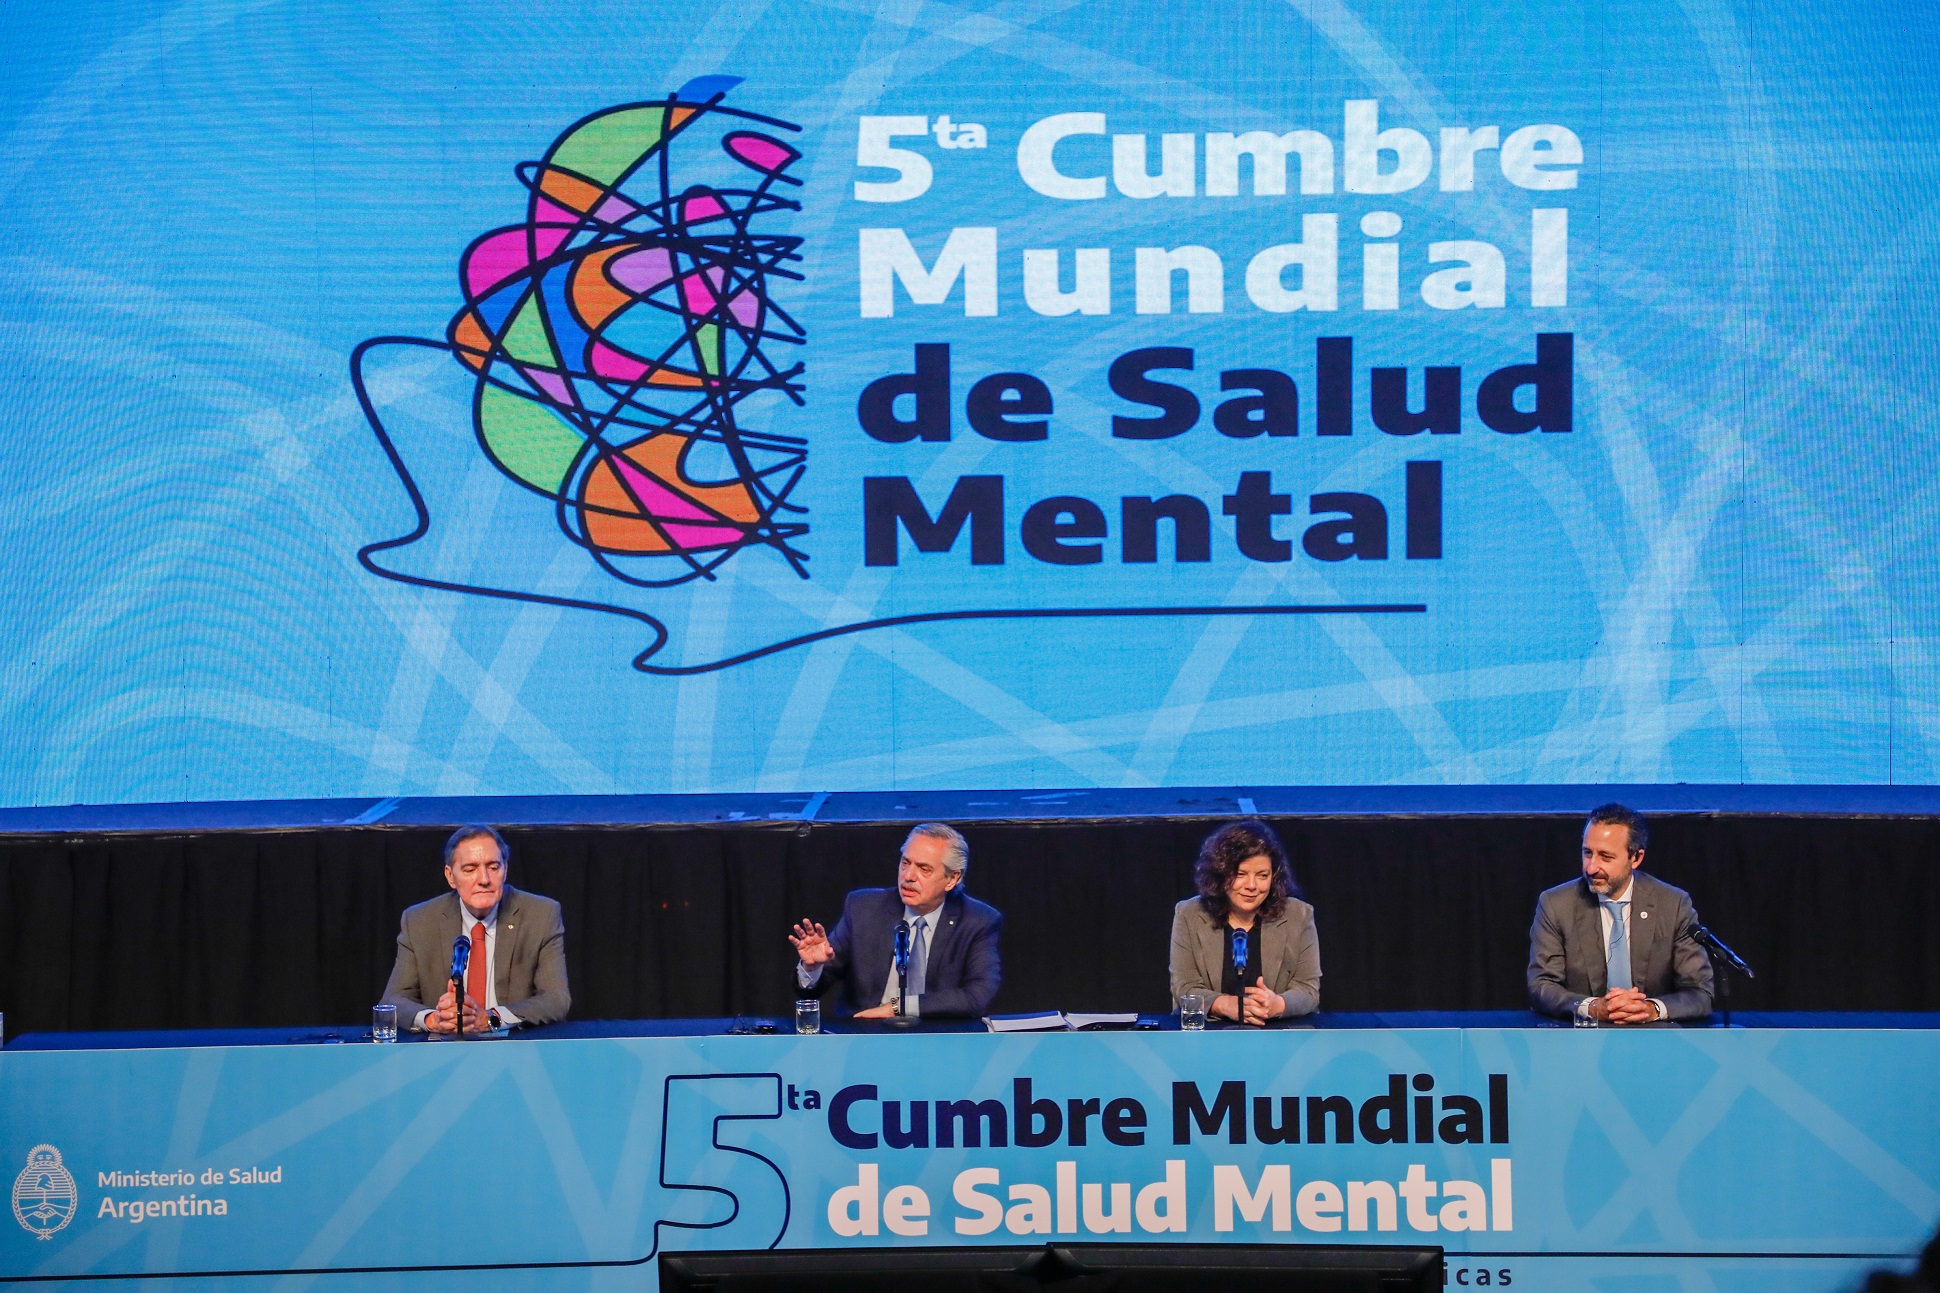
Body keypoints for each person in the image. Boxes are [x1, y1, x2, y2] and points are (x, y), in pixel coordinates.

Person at [789, 822, 1002, 1019]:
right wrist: (811, 968)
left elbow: (976, 996)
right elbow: (813, 989)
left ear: (952, 878)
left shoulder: (978, 921)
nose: (908, 876)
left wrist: (898, 1007)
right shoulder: (863, 908)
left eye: (924, 869)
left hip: (938, 1039)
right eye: (905, 863)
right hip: (867, 1036)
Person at [1527, 803, 1713, 1023]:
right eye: (1588, 853)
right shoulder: (1556, 904)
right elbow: (1541, 986)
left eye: (1605, 857)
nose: (1591, 867)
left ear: (1635, 858)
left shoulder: (1673, 905)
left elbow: (1700, 993)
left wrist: (1651, 1009)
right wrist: (1593, 1007)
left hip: (1656, 1040)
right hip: (1582, 1042)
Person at [380, 825, 571, 1032]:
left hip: (514, 1049)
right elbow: (393, 1000)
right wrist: (434, 1020)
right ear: (450, 876)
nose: (484, 880)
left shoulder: (541, 915)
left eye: (493, 867)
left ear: (505, 870)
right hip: (445, 1049)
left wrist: (491, 1019)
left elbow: (556, 1000)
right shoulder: (419, 920)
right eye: (470, 869)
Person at [1169, 818, 1320, 1024]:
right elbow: (1184, 987)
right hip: (1208, 1037)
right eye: (1240, 874)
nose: (1252, 885)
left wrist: (1278, 1005)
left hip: (1278, 1038)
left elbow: (1308, 989)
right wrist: (1225, 1004)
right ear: (1220, 875)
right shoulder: (1189, 914)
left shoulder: (1298, 915)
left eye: (1262, 875)